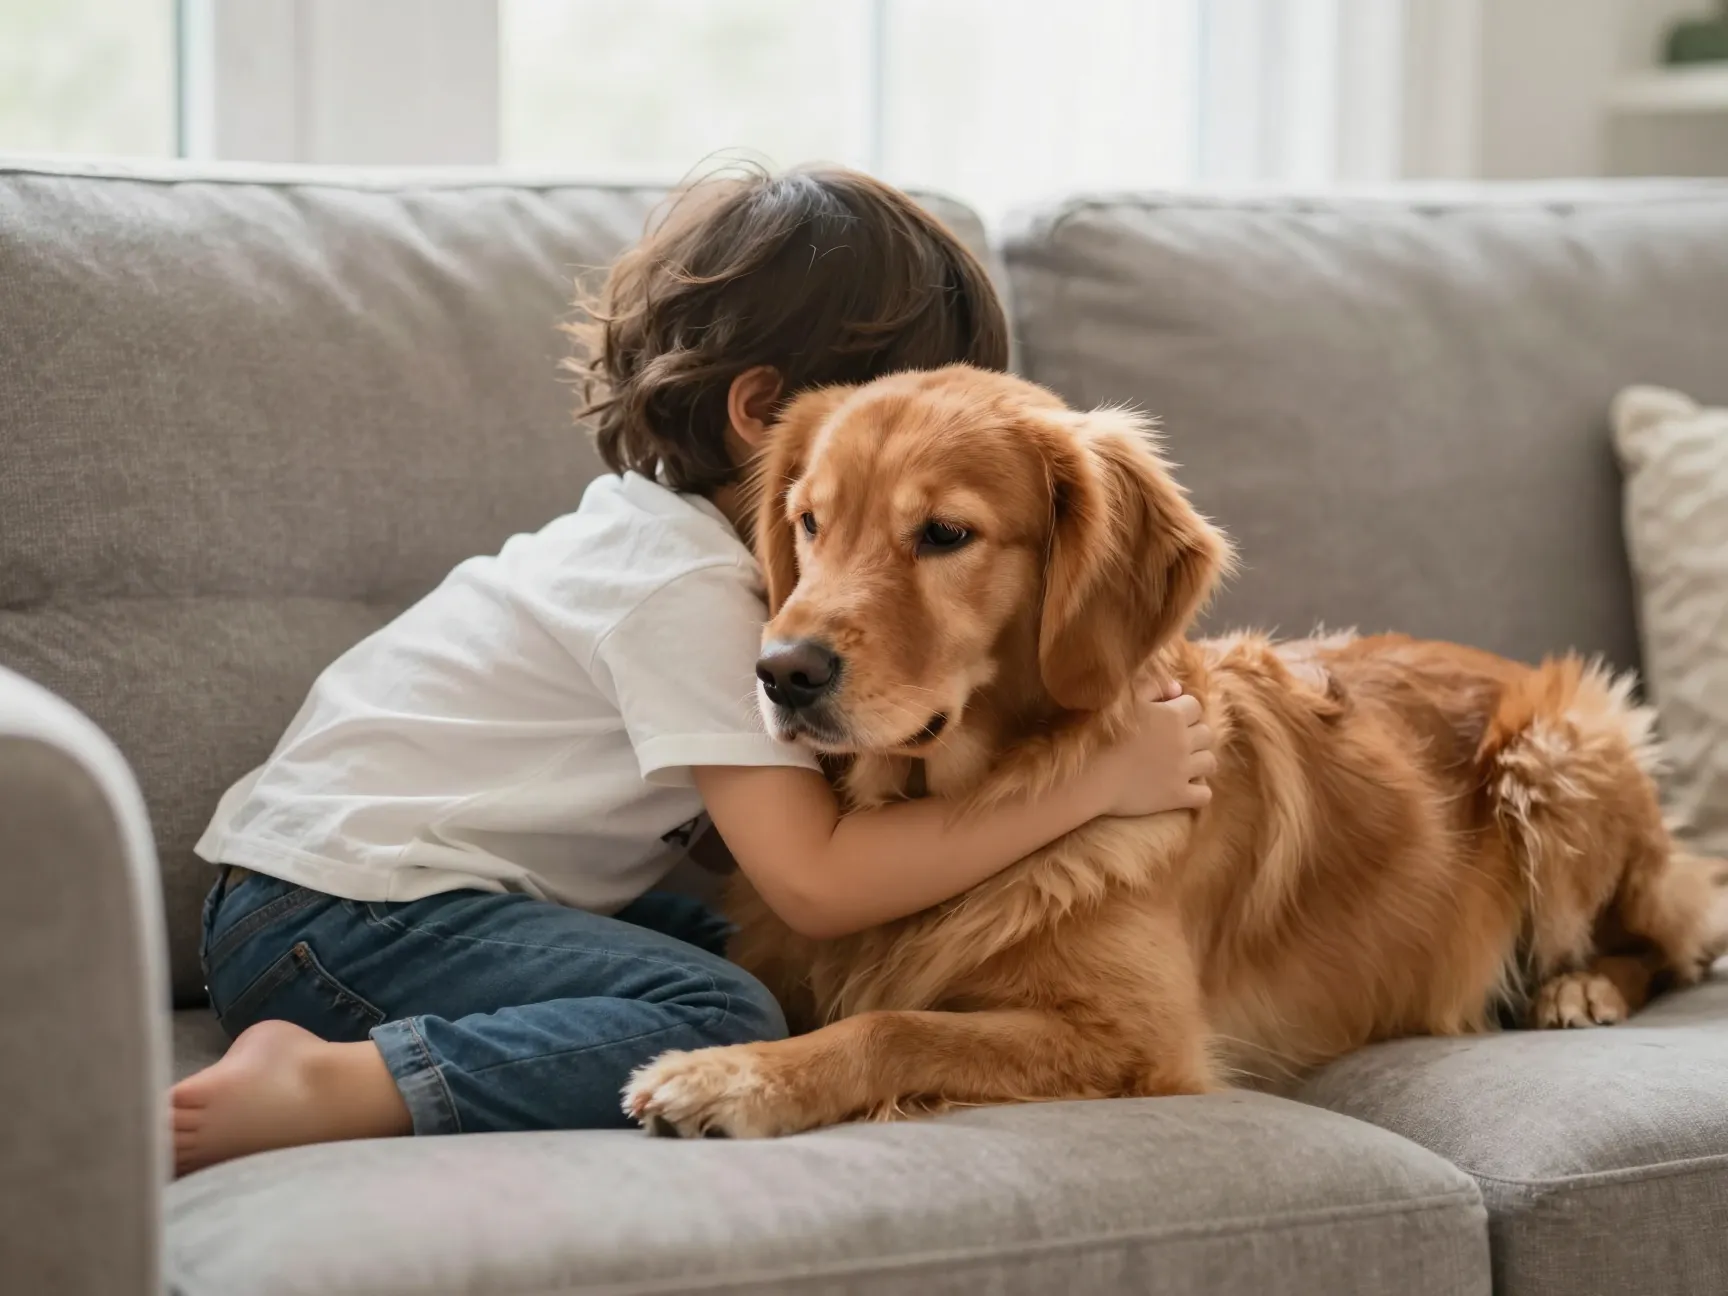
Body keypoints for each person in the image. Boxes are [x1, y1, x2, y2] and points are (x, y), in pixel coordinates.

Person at [169, 165, 1216, 1174]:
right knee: (720, 1012)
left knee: (747, 954)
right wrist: (1099, 781)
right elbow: (815, 880)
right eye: (894, 400)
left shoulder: (660, 548)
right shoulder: (686, 591)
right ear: (766, 416)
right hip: (348, 917)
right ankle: (339, 1086)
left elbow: (737, 849)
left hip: (361, 895)